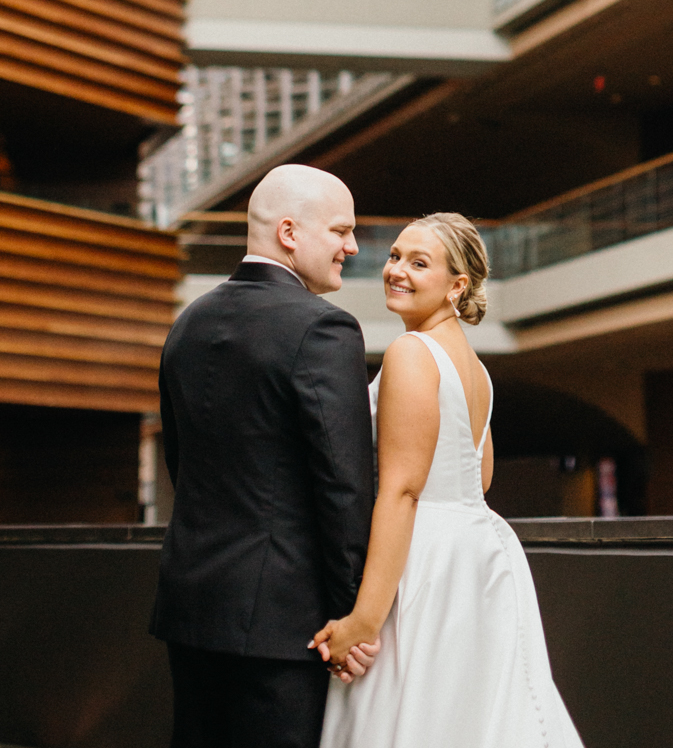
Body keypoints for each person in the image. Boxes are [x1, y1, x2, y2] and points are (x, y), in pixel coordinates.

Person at [313, 212, 585, 748]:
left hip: (423, 559)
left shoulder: (412, 352)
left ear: (457, 285)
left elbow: (403, 491)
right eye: (394, 257)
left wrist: (363, 622)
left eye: (419, 263)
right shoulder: (475, 367)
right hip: (478, 555)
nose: (396, 271)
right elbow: (478, 477)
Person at [152, 165, 378, 748]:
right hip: (285, 622)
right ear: (288, 233)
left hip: (193, 607)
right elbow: (344, 486)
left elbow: (184, 465)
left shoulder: (188, 323)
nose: (352, 247)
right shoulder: (324, 328)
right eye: (340, 230)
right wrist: (351, 620)